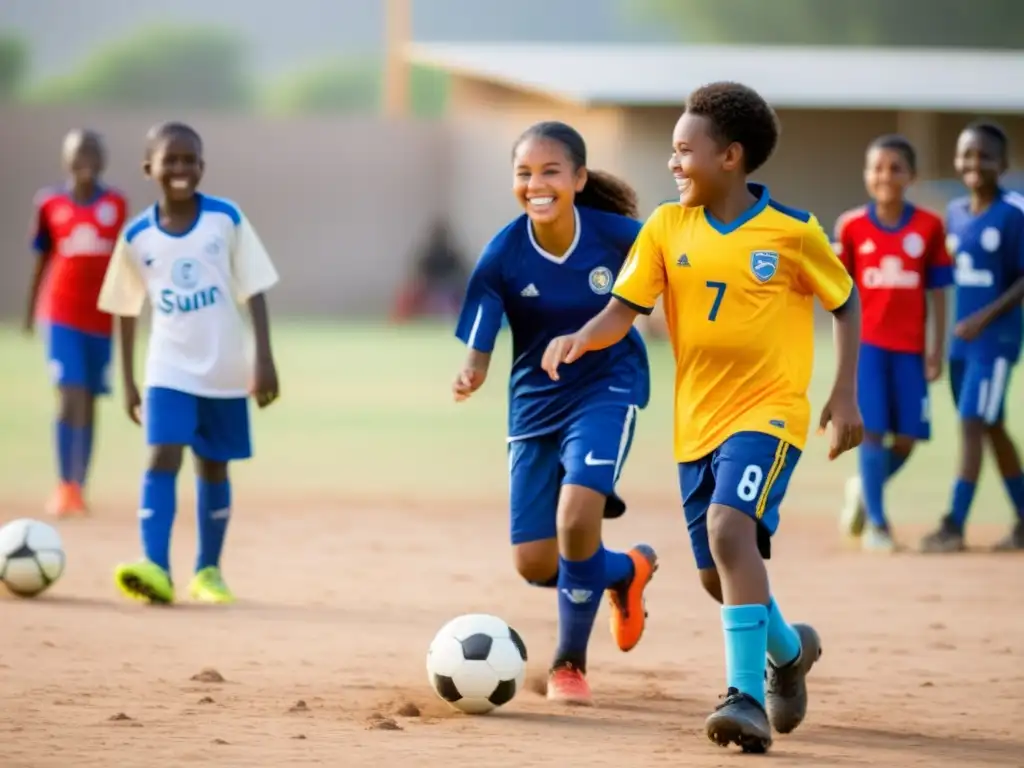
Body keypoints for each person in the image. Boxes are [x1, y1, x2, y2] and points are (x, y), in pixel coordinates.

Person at [541, 83, 862, 753]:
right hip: (696, 423)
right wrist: (581, 336)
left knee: (728, 527)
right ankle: (787, 649)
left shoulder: (793, 232)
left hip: (769, 414)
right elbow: (622, 310)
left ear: (731, 158)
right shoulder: (665, 228)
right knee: (721, 575)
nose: (672, 163)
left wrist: (846, 393)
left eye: (685, 150)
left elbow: (845, 302)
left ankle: (743, 698)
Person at [452, 121, 657, 707]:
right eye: (523, 173)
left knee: (576, 518)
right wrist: (472, 371)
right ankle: (623, 571)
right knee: (538, 562)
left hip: (606, 390)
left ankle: (570, 664)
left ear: (579, 179)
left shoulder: (619, 236)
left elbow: (676, 262)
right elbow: (482, 334)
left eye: (550, 172)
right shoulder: (503, 253)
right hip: (534, 407)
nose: (535, 184)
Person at [97, 122, 281, 605]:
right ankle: (155, 566)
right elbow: (124, 308)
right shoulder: (137, 235)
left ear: (202, 166)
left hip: (224, 370)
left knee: (214, 467)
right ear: (149, 168)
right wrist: (131, 381)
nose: (180, 168)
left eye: (190, 159)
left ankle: (208, 572)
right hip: (167, 370)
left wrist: (264, 358)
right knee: (161, 455)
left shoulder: (225, 218)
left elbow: (254, 288)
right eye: (170, 160)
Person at [834, 135, 953, 552]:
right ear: (867, 175)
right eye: (877, 168)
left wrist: (936, 349)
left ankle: (864, 489)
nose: (885, 175)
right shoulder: (851, 226)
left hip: (911, 350)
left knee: (907, 439)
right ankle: (879, 527)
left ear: (911, 175)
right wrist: (843, 354)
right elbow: (839, 295)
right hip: (867, 349)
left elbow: (938, 291)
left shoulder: (929, 226)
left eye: (895, 167)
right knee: (873, 433)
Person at [920, 122, 1024, 553]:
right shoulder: (957, 213)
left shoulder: (1014, 213)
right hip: (962, 344)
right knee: (993, 426)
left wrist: (984, 318)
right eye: (966, 155)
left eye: (984, 156)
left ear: (1002, 163)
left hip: (995, 344)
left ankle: (953, 524)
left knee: (970, 423)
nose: (974, 164)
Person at [25, 130, 128, 517]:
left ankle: (79, 486)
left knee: (89, 400)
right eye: (77, 153)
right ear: (65, 159)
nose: (85, 159)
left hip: (100, 317)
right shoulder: (49, 202)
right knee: (69, 396)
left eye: (92, 152)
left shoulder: (115, 204)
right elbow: (43, 258)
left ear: (103, 159)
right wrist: (29, 311)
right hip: (61, 313)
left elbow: (124, 260)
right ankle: (63, 484)